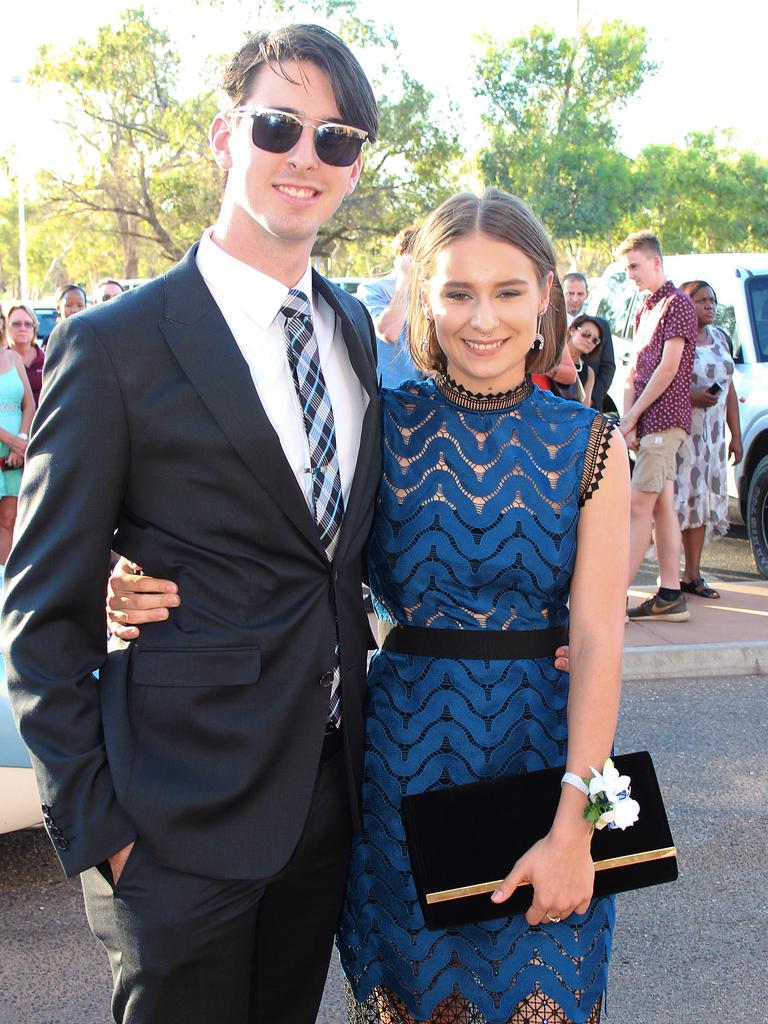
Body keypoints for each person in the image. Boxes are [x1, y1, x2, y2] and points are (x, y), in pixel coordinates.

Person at [110, 189, 631, 1024]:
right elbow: (270, 530)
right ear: (425, 297)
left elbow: (603, 639)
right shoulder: (379, 422)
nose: (482, 319)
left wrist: (578, 824)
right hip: (398, 762)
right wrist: (135, 572)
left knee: (550, 996)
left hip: (546, 756)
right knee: (415, 1004)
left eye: (506, 292)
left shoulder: (592, 440)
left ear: (544, 296)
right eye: (458, 292)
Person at [2, 24, 380, 1024]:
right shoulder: (112, 346)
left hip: (324, 803)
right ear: (224, 137)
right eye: (279, 126)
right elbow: (39, 613)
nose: (306, 156)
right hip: (171, 827)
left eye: (335, 139)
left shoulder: (352, 333)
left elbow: (335, 559)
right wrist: (104, 832)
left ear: (353, 167)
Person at [617, 231, 697, 622]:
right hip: (647, 425)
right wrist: (630, 420)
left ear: (656, 262)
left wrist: (631, 418)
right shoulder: (644, 308)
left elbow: (668, 369)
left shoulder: (678, 304)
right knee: (663, 505)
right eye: (627, 267)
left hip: (666, 422)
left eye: (635, 266)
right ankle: (669, 595)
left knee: (637, 507)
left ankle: (612, 603)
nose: (630, 273)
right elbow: (634, 371)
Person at [674, 280, 742, 598]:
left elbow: (729, 390)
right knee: (680, 503)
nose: (709, 305)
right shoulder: (678, 340)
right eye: (701, 300)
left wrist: (736, 437)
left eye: (712, 300)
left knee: (701, 503)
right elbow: (662, 385)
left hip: (713, 437)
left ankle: (693, 574)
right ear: (687, 304)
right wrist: (692, 397)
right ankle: (669, 577)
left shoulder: (720, 339)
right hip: (684, 435)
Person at [357, 225, 424, 388]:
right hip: (386, 396)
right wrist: (404, 282)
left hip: (422, 396)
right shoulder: (371, 289)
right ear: (403, 256)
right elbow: (388, 332)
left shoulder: (429, 291)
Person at [0, 341, 35, 566]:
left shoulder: (13, 358)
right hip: (11, 446)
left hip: (15, 456)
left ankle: (3, 581)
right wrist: (12, 441)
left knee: (9, 520)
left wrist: (21, 440)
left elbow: (29, 403)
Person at [563, 273, 615, 412]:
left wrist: (592, 399)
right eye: (570, 293)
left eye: (580, 294)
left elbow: (608, 367)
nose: (574, 299)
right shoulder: (551, 323)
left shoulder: (601, 326)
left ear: (587, 294)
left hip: (589, 407)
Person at [6, 303, 45, 407]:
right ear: (6, 327)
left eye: (28, 324)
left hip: (43, 422)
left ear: (34, 327)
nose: (22, 328)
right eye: (16, 324)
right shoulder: (2, 360)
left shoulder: (47, 360)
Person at [564, 314, 604, 405]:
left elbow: (584, 410)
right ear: (573, 330)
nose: (589, 341)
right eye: (586, 334)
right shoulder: (551, 354)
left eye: (595, 340)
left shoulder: (589, 373)